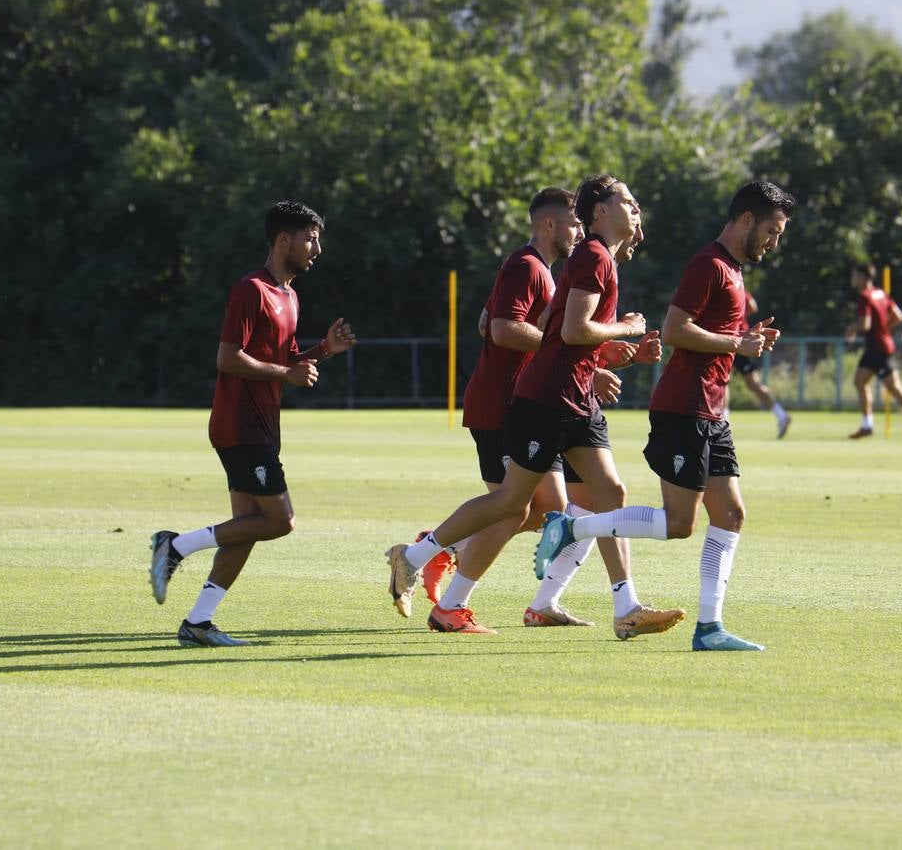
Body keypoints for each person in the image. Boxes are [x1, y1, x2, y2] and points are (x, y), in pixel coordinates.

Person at [386, 175, 683, 641]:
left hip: (574, 397)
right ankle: (420, 559)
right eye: (627, 201)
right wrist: (622, 330)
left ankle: (624, 607)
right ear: (599, 211)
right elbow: (558, 328)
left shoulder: (596, 259)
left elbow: (547, 323)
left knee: (608, 495)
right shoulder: (586, 257)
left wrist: (596, 358)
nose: (637, 210)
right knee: (513, 506)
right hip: (542, 401)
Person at [535, 181, 795, 652]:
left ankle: (709, 628)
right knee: (679, 523)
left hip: (712, 409)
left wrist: (743, 338)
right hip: (685, 407)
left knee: (732, 514)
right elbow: (676, 329)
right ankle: (573, 527)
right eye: (772, 231)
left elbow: (710, 335)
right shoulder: (710, 264)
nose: (774, 243)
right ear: (747, 220)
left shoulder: (733, 270)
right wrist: (739, 342)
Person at [401, 187, 617, 633]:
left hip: (531, 403)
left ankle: (443, 555)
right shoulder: (527, 267)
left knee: (538, 511)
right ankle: (431, 562)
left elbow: (485, 320)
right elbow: (501, 328)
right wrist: (557, 351)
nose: (579, 231)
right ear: (549, 225)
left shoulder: (541, 271)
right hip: (502, 405)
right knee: (528, 508)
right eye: (574, 224)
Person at [148, 200, 357, 647]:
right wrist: (287, 373)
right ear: (284, 240)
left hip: (260, 427)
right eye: (310, 238)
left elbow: (283, 362)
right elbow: (228, 357)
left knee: (245, 528)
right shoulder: (252, 290)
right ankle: (176, 546)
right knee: (280, 521)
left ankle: (198, 623)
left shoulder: (290, 296)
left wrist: (321, 352)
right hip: (240, 425)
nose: (317, 248)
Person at [844, 263, 902, 440]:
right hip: (881, 345)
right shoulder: (880, 293)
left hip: (877, 348)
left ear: (864, 277)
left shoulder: (865, 296)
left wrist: (851, 328)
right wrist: (884, 329)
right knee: (861, 381)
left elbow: (865, 324)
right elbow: (898, 315)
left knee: (893, 387)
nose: (853, 279)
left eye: (855, 275)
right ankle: (868, 425)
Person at [730, 290, 791, 438]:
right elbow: (753, 306)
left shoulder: (733, 286)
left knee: (726, 382)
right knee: (749, 383)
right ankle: (781, 415)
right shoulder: (738, 285)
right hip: (739, 338)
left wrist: (738, 318)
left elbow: (751, 306)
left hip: (736, 339)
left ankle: (723, 422)